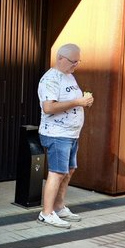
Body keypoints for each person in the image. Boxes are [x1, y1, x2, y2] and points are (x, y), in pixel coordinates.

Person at [37, 43, 94, 229]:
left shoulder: (69, 76)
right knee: (57, 172)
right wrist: (78, 101)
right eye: (73, 61)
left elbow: (71, 101)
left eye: (78, 61)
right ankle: (46, 213)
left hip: (71, 133)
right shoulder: (51, 79)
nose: (76, 65)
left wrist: (84, 102)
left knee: (68, 170)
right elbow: (49, 108)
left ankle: (59, 207)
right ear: (60, 58)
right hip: (57, 134)